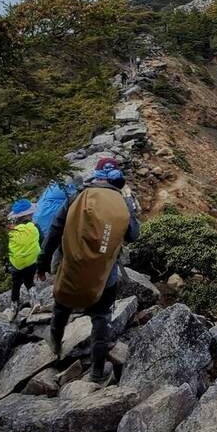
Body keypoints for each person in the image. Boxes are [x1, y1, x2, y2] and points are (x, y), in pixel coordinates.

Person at [36, 164, 140, 385]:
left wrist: (43, 261)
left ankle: (55, 342)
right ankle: (96, 372)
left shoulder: (78, 195)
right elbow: (133, 235)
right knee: (101, 318)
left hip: (72, 265)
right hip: (105, 272)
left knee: (62, 303)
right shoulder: (121, 202)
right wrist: (131, 206)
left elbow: (56, 227)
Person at [6, 198, 41, 321]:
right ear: (29, 214)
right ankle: (35, 301)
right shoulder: (34, 227)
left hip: (17, 264)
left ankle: (13, 309)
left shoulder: (12, 231)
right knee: (29, 281)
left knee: (15, 286)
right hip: (32, 261)